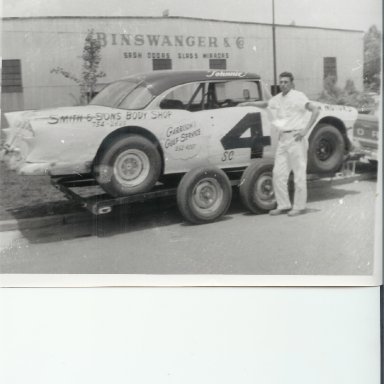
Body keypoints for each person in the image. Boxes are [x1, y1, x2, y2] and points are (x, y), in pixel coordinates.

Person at [241, 72, 320, 217]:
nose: (283, 84)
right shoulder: (278, 98)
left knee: (299, 174)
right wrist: (248, 103)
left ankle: (299, 206)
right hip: (283, 139)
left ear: (291, 83)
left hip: (296, 137)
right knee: (278, 174)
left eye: (286, 82)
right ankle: (283, 205)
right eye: (281, 82)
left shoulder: (298, 96)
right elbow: (265, 103)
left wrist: (305, 131)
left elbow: (315, 110)